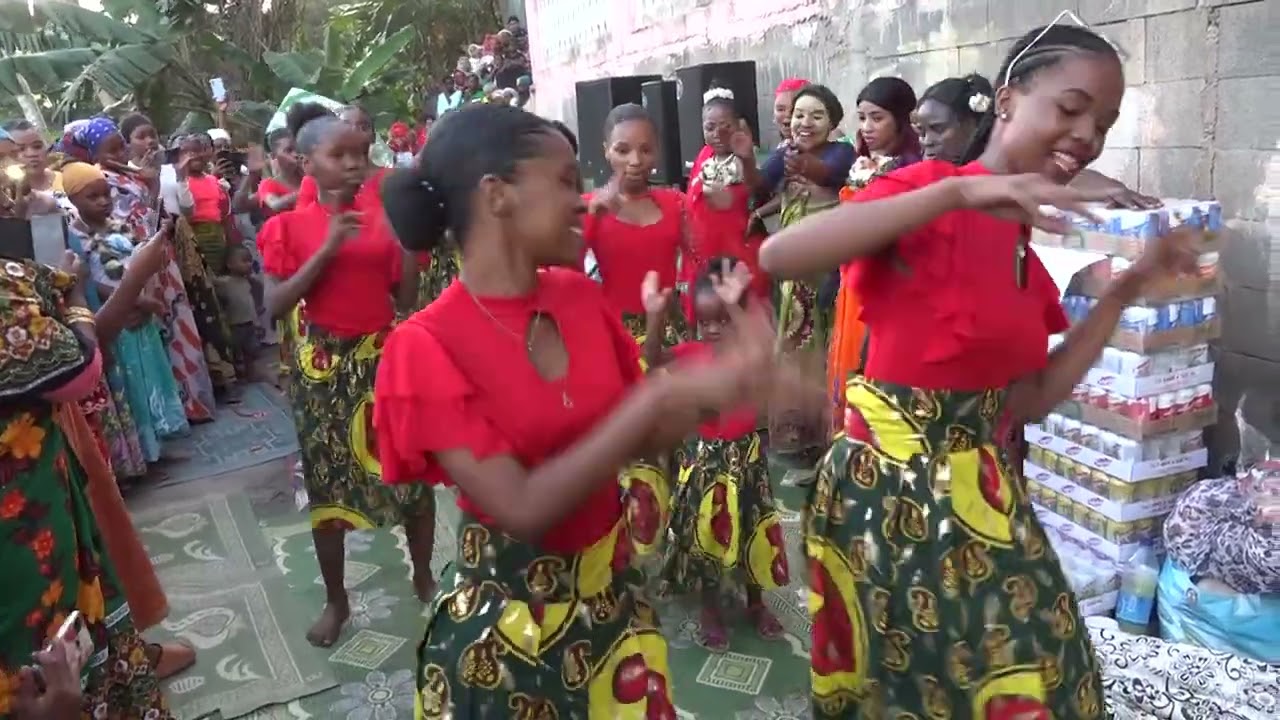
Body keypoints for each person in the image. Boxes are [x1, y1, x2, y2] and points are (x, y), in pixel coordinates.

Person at [759, 22, 1199, 719]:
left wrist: (1124, 289)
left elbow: (1033, 398)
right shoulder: (929, 188)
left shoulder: (1019, 234)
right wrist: (957, 194)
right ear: (1007, 100)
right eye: (1072, 107)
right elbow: (781, 257)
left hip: (986, 494)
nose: (1087, 134)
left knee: (1049, 678)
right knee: (934, 688)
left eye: (1104, 122)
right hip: (893, 499)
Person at [373, 101, 783, 718]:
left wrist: (732, 382)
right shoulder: (424, 346)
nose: (583, 200)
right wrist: (657, 396)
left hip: (613, 615)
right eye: (565, 181)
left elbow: (642, 440)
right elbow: (523, 506)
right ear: (497, 195)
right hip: (507, 641)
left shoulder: (575, 297)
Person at [261, 101, 433, 648]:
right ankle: (337, 601)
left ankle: (425, 576)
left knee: (411, 474)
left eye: (360, 153)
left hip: (383, 359)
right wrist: (330, 246)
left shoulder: (383, 221)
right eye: (340, 155)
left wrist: (408, 247)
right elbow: (275, 304)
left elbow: (404, 299)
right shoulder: (287, 226)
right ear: (306, 162)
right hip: (323, 367)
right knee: (328, 483)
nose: (355, 163)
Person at [0, 249, 171, 718]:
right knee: (55, 644)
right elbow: (79, 370)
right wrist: (76, 295)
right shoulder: (9, 286)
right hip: (24, 524)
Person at [642, 257, 789, 652]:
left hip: (749, 460)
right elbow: (652, 360)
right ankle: (710, 609)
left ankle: (756, 602)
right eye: (705, 322)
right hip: (707, 462)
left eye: (722, 320)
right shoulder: (692, 353)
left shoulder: (750, 356)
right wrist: (655, 318)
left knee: (754, 530)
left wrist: (742, 311)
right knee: (706, 535)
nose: (712, 330)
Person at [82, 116, 219, 421]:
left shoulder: (134, 175)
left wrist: (152, 181)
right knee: (158, 336)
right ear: (93, 153)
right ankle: (173, 410)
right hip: (134, 268)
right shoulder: (99, 181)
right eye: (112, 149)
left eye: (120, 148)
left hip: (159, 258)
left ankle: (193, 403)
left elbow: (149, 213)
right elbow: (124, 228)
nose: (119, 155)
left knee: (178, 327)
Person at [63, 161, 188, 462]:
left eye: (106, 194)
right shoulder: (75, 238)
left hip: (139, 314)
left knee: (152, 377)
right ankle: (143, 450)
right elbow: (91, 282)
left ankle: (160, 437)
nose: (104, 201)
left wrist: (144, 296)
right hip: (114, 318)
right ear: (73, 200)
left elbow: (137, 264)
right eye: (93, 197)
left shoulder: (120, 225)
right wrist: (134, 299)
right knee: (131, 384)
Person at [757, 84, 855, 459]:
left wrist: (797, 160)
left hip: (825, 264)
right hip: (793, 271)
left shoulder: (842, 152)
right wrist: (750, 162)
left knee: (824, 344)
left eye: (816, 116)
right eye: (798, 115)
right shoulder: (784, 152)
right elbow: (761, 187)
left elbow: (830, 176)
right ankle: (796, 434)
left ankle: (827, 434)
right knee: (793, 346)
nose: (805, 122)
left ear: (832, 123)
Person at [916, 74, 1161, 210]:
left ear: (973, 123)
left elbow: (1065, 180)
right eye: (921, 132)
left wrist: (1114, 190)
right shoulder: (910, 182)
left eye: (938, 129)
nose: (927, 142)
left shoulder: (1004, 171)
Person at [581, 104, 688, 351]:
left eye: (646, 150)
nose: (636, 161)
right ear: (606, 151)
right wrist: (591, 216)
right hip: (616, 335)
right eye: (622, 150)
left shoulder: (675, 203)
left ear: (657, 152)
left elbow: (700, 259)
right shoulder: (590, 207)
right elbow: (567, 271)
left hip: (670, 332)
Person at [683, 88, 768, 316]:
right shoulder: (704, 156)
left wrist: (747, 158)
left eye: (725, 126)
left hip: (738, 250)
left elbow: (757, 187)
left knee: (741, 309)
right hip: (705, 250)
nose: (717, 134)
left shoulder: (744, 156)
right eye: (710, 128)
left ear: (738, 125)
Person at [215, 245, 260, 382]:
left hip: (249, 324)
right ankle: (236, 375)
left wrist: (256, 320)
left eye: (250, 261)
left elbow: (251, 301)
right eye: (244, 261)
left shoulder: (247, 282)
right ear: (230, 264)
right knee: (235, 352)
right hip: (234, 325)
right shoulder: (225, 282)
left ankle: (251, 375)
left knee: (251, 352)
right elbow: (212, 284)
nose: (249, 264)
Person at [4, 120, 62, 195]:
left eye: (37, 146)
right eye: (20, 149)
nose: (32, 154)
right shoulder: (5, 195)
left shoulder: (68, 179)